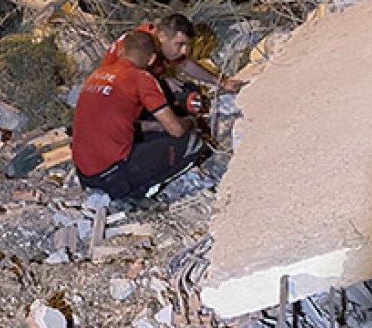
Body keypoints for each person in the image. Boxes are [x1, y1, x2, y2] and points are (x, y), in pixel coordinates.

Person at [72, 30, 204, 201]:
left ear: (121, 52)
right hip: (112, 177)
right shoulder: (141, 78)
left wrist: (158, 127)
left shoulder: (97, 74)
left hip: (85, 174)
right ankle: (137, 195)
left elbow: (119, 123)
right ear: (151, 59)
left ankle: (117, 187)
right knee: (192, 141)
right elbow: (177, 130)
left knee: (153, 134)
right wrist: (191, 121)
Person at [101, 13, 245, 111]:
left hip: (128, 88)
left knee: (187, 90)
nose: (184, 51)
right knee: (181, 101)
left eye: (186, 45)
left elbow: (186, 64)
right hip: (113, 98)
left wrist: (221, 82)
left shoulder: (158, 41)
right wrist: (159, 82)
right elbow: (125, 78)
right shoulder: (140, 44)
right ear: (162, 36)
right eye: (180, 44)